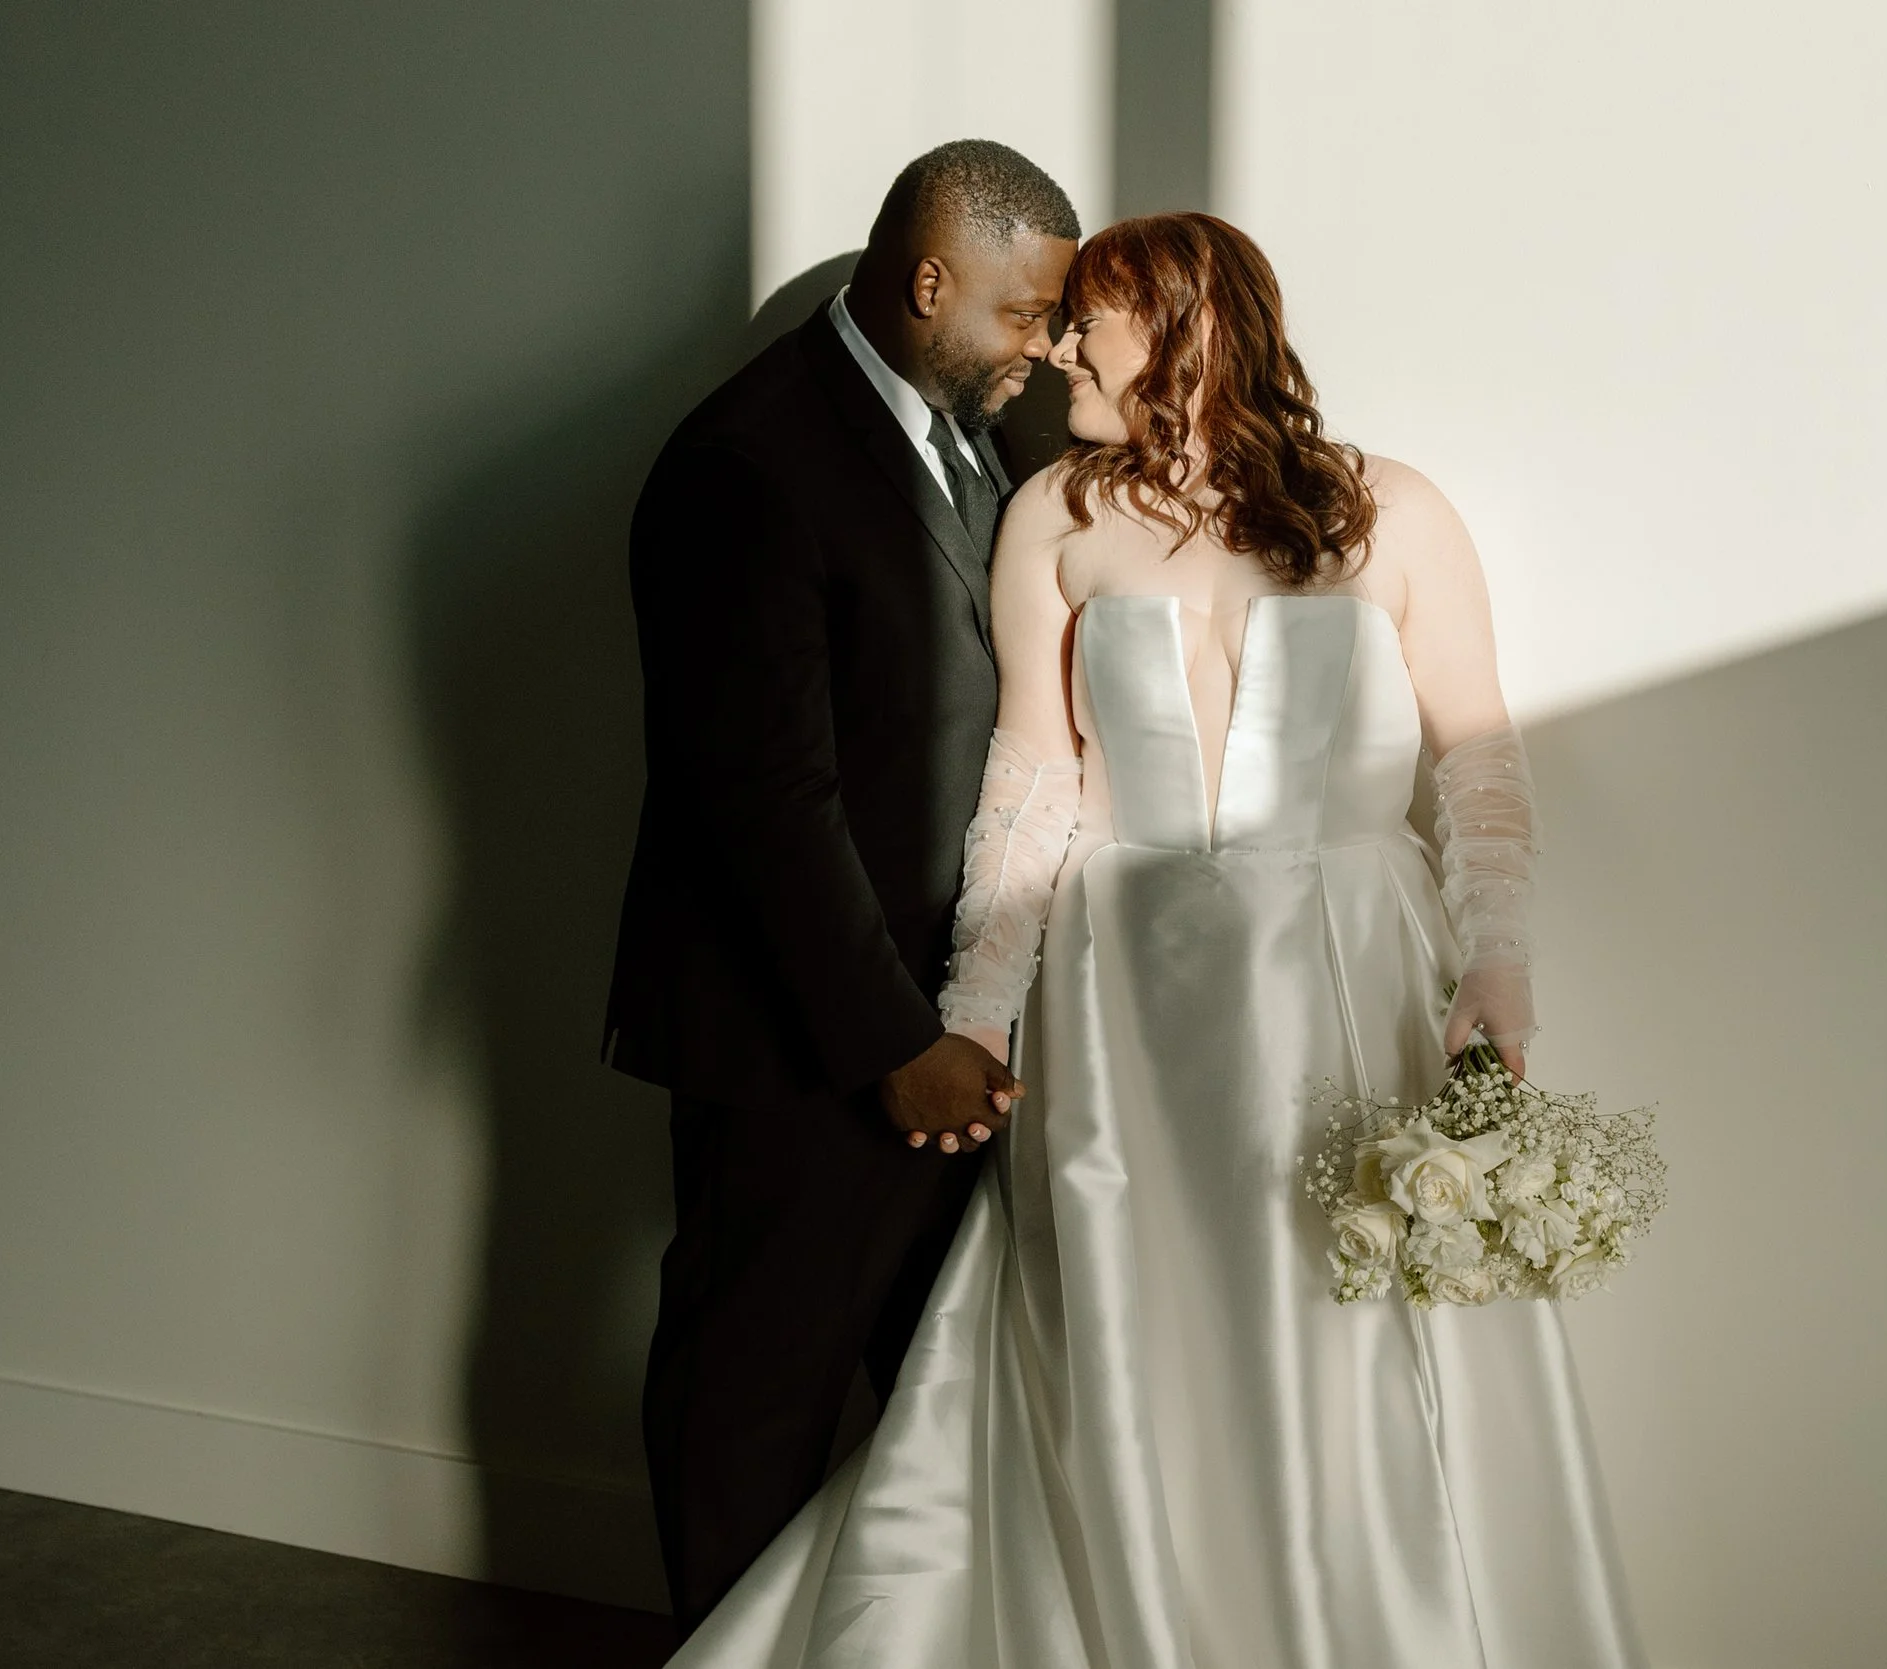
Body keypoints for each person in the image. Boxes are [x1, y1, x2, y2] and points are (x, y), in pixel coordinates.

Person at [663, 212, 1644, 1667]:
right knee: (1130, 1335)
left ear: (1182, 328)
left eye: (1090, 320)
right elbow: (1033, 778)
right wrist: (979, 1014)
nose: (1059, 342)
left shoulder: (1399, 511)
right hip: (1123, 1002)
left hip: (1344, 978)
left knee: (1335, 1316)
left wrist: (1495, 967)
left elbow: (1481, 763)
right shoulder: (1051, 512)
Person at [605, 140, 1079, 1629]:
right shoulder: (747, 464)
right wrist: (898, 1045)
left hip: (949, 1029)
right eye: (1023, 314)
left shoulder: (971, 430)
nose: (1045, 350)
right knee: (752, 1401)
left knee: (928, 1404)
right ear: (929, 281)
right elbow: (765, 803)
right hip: (803, 1041)